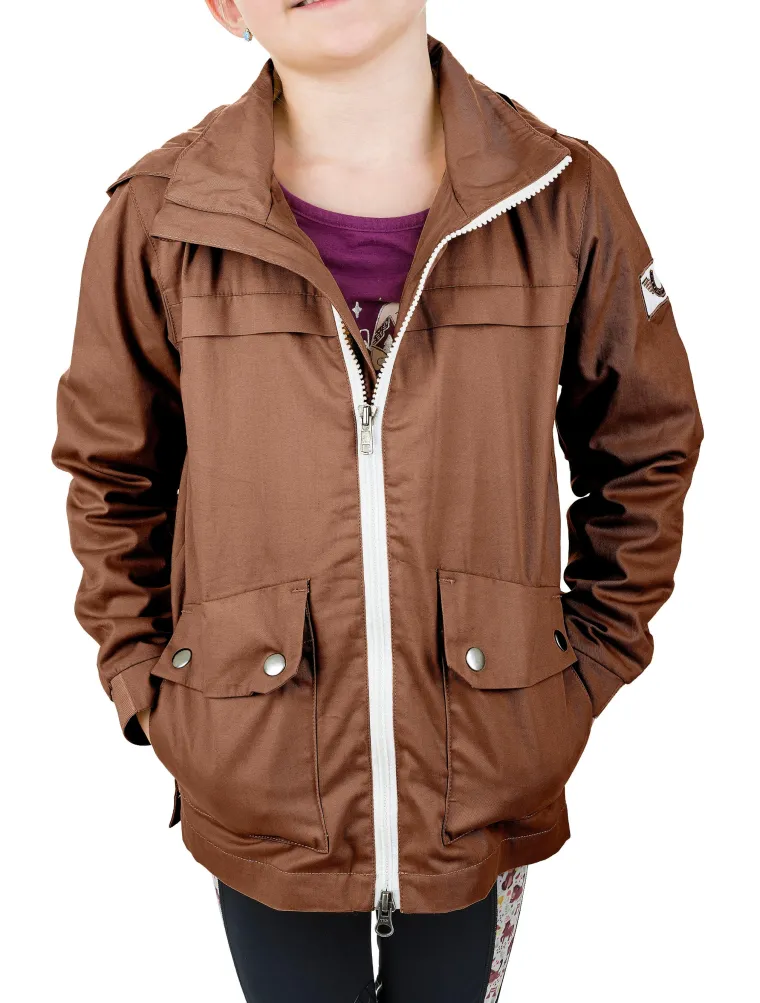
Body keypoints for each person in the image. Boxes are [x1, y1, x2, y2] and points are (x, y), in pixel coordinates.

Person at [51, 2, 703, 1001]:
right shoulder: (159, 216)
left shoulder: (561, 194)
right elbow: (111, 476)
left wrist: (588, 664)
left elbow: (645, 443)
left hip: (485, 773)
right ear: (225, 6)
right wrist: (150, 691)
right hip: (255, 776)